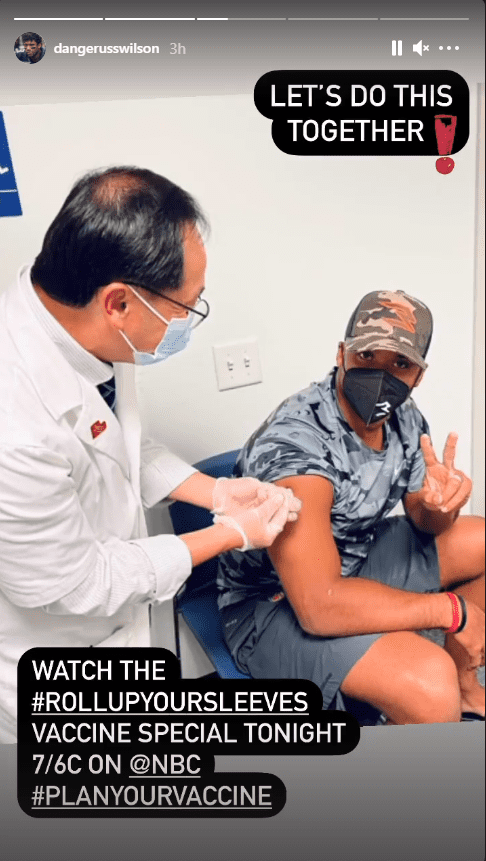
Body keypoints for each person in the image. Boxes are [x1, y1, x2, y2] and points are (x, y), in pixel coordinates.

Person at [0, 166, 300, 742]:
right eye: (185, 306)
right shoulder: (16, 424)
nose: (187, 320)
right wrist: (229, 533)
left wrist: (211, 492)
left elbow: (118, 438)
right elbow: (78, 584)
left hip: (122, 632)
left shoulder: (83, 330)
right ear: (118, 303)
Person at [218, 289, 485, 725]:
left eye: (400, 364)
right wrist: (451, 612)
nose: (382, 375)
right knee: (426, 679)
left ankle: (464, 687)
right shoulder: (297, 444)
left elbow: (422, 519)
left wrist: (440, 507)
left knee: (480, 539)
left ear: (418, 373)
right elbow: (318, 605)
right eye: (367, 356)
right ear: (342, 353)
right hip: (273, 603)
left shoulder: (406, 417)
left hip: (352, 559)